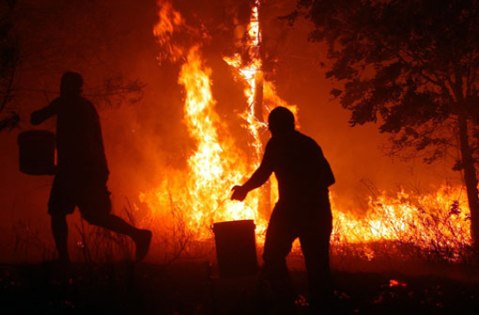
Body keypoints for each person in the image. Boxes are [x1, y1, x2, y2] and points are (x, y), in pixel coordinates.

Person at [31, 71, 152, 263]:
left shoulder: (66, 104)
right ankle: (138, 235)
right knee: (87, 215)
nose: (62, 88)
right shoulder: (86, 106)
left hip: (78, 171)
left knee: (67, 213)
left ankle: (65, 259)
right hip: (87, 169)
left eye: (64, 85)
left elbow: (36, 118)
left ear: (70, 87)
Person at [231, 106, 335, 313]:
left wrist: (244, 189)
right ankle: (321, 306)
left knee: (272, 255)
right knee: (318, 265)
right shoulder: (309, 144)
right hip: (318, 209)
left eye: (271, 125)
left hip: (291, 209)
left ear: (276, 126)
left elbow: (263, 173)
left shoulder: (277, 143)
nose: (269, 129)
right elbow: (330, 178)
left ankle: (287, 301)